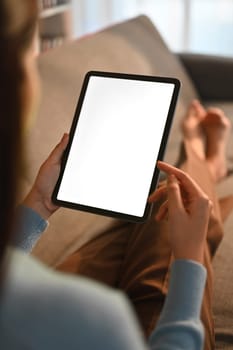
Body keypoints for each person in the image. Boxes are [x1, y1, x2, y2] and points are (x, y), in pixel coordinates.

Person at [0, 1, 231, 349]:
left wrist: (38, 203)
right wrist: (188, 258)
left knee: (152, 207)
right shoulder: (94, 319)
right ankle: (202, 162)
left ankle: (203, 168)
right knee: (172, 210)